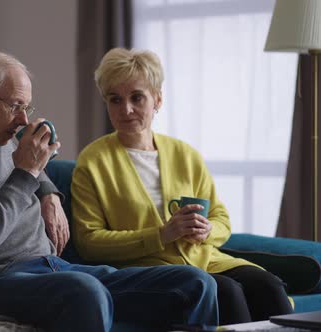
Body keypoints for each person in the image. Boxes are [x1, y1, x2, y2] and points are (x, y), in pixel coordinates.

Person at [0, 50, 220, 332]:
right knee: (84, 291)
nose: (23, 120)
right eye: (15, 106)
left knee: (196, 283)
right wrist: (26, 174)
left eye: (27, 108)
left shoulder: (4, 138)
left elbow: (37, 171)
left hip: (53, 267)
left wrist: (49, 193)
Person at [71, 47, 294, 325]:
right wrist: (162, 234)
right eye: (115, 100)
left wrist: (208, 230)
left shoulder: (185, 154)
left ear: (158, 100)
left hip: (205, 258)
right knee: (227, 292)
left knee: (267, 285)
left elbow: (221, 218)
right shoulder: (92, 162)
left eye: (137, 97)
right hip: (146, 269)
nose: (125, 109)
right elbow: (89, 242)